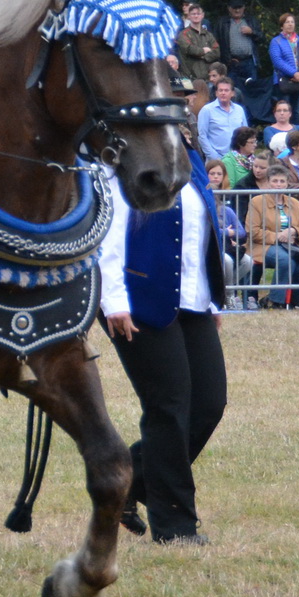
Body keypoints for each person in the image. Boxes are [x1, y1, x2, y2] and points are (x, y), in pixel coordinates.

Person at [97, 142, 226, 546]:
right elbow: (109, 231)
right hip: (137, 300)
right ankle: (176, 527)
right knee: (168, 407)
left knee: (208, 404)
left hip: (192, 299)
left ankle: (127, 481)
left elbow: (203, 232)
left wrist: (211, 295)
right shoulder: (124, 159)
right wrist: (113, 300)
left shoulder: (194, 163)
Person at [247, 168, 299, 309]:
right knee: (284, 260)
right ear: (268, 183)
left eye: (282, 181)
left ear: (287, 183)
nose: (278, 184)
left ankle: (293, 301)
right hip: (263, 245)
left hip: (291, 246)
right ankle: (275, 301)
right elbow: (252, 231)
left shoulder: (295, 203)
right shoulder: (257, 202)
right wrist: (278, 236)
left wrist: (293, 231)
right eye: (275, 181)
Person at [204, 159, 254, 309]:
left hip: (228, 246)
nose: (216, 177)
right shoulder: (203, 202)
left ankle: (223, 290)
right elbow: (208, 229)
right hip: (211, 246)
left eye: (219, 174)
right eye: (212, 173)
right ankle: (229, 297)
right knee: (227, 261)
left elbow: (241, 233)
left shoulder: (228, 209)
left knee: (247, 261)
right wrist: (227, 232)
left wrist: (227, 233)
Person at [174, 3, 220, 112]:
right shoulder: (183, 34)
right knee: (190, 110)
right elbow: (189, 49)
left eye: (198, 14)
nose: (196, 16)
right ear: (188, 16)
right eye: (193, 14)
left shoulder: (208, 35)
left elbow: (217, 52)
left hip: (207, 80)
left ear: (203, 15)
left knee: (207, 108)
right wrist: (204, 51)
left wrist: (201, 55)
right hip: (188, 79)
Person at [269, 12, 299, 119]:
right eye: (287, 22)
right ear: (282, 25)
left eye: (292, 22)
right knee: (284, 112)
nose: (290, 24)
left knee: (296, 112)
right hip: (284, 81)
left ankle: (296, 135)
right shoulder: (276, 41)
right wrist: (294, 73)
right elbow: (277, 61)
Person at [195, 78, 245, 158]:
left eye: (226, 90)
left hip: (238, 159)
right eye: (220, 90)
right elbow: (202, 136)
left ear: (232, 93)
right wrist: (214, 156)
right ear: (216, 93)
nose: (223, 93)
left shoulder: (239, 110)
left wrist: (243, 154)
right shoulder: (207, 110)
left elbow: (245, 134)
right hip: (216, 160)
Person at [219, 125, 259, 189]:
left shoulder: (256, 160)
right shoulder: (228, 161)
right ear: (240, 143)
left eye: (255, 141)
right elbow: (230, 185)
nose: (255, 145)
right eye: (252, 142)